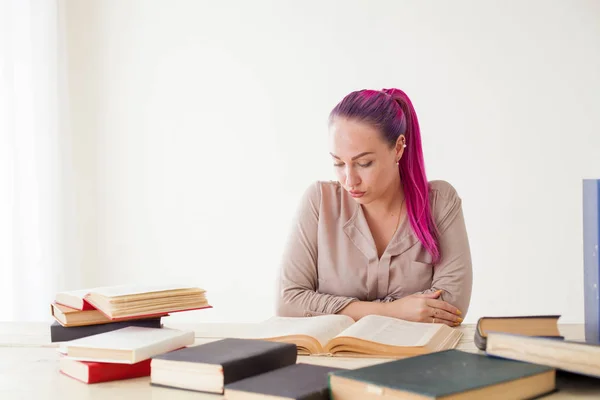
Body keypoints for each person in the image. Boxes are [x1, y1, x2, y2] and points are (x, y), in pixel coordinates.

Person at [276, 88, 472, 326]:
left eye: (364, 163)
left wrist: (336, 308)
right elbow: (288, 302)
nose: (350, 180)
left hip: (414, 358)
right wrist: (395, 311)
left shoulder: (440, 203)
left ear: (398, 148)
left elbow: (450, 309)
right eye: (338, 163)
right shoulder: (320, 201)